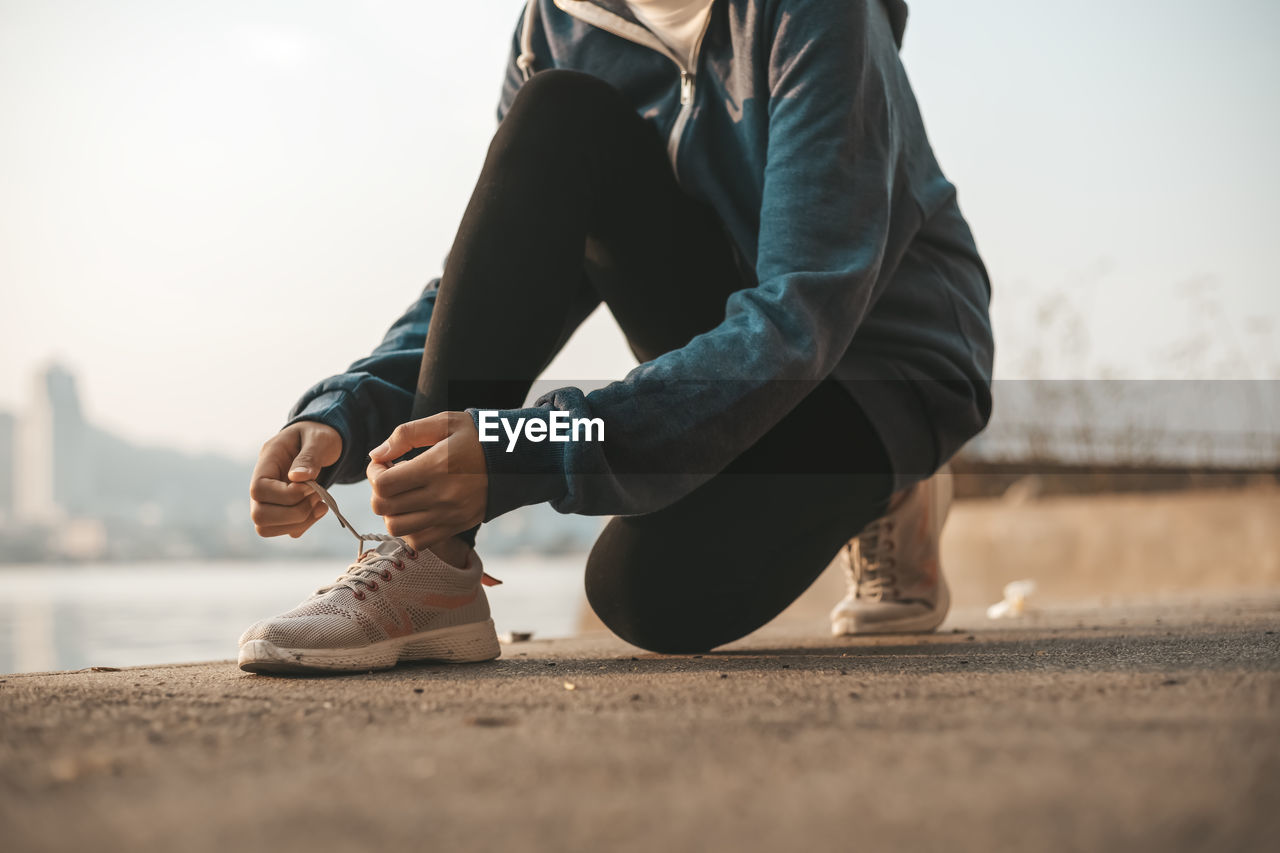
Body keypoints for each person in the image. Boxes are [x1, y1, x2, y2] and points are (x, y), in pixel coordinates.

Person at [239, 0, 993, 674]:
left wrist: (518, 449)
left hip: (877, 365)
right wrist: (340, 412)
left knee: (646, 594)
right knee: (556, 113)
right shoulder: (558, 22)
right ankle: (431, 563)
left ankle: (894, 485)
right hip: (722, 335)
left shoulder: (817, 14)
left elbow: (800, 320)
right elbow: (494, 272)